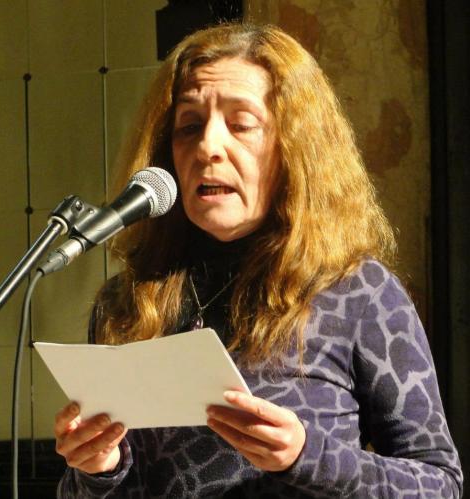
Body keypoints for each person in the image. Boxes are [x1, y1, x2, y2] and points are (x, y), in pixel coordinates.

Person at [54, 23, 463, 498]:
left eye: (242, 124)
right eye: (189, 126)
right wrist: (97, 471)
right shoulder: (126, 303)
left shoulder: (358, 292)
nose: (208, 146)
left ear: (295, 149)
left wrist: (308, 457)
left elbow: (440, 483)